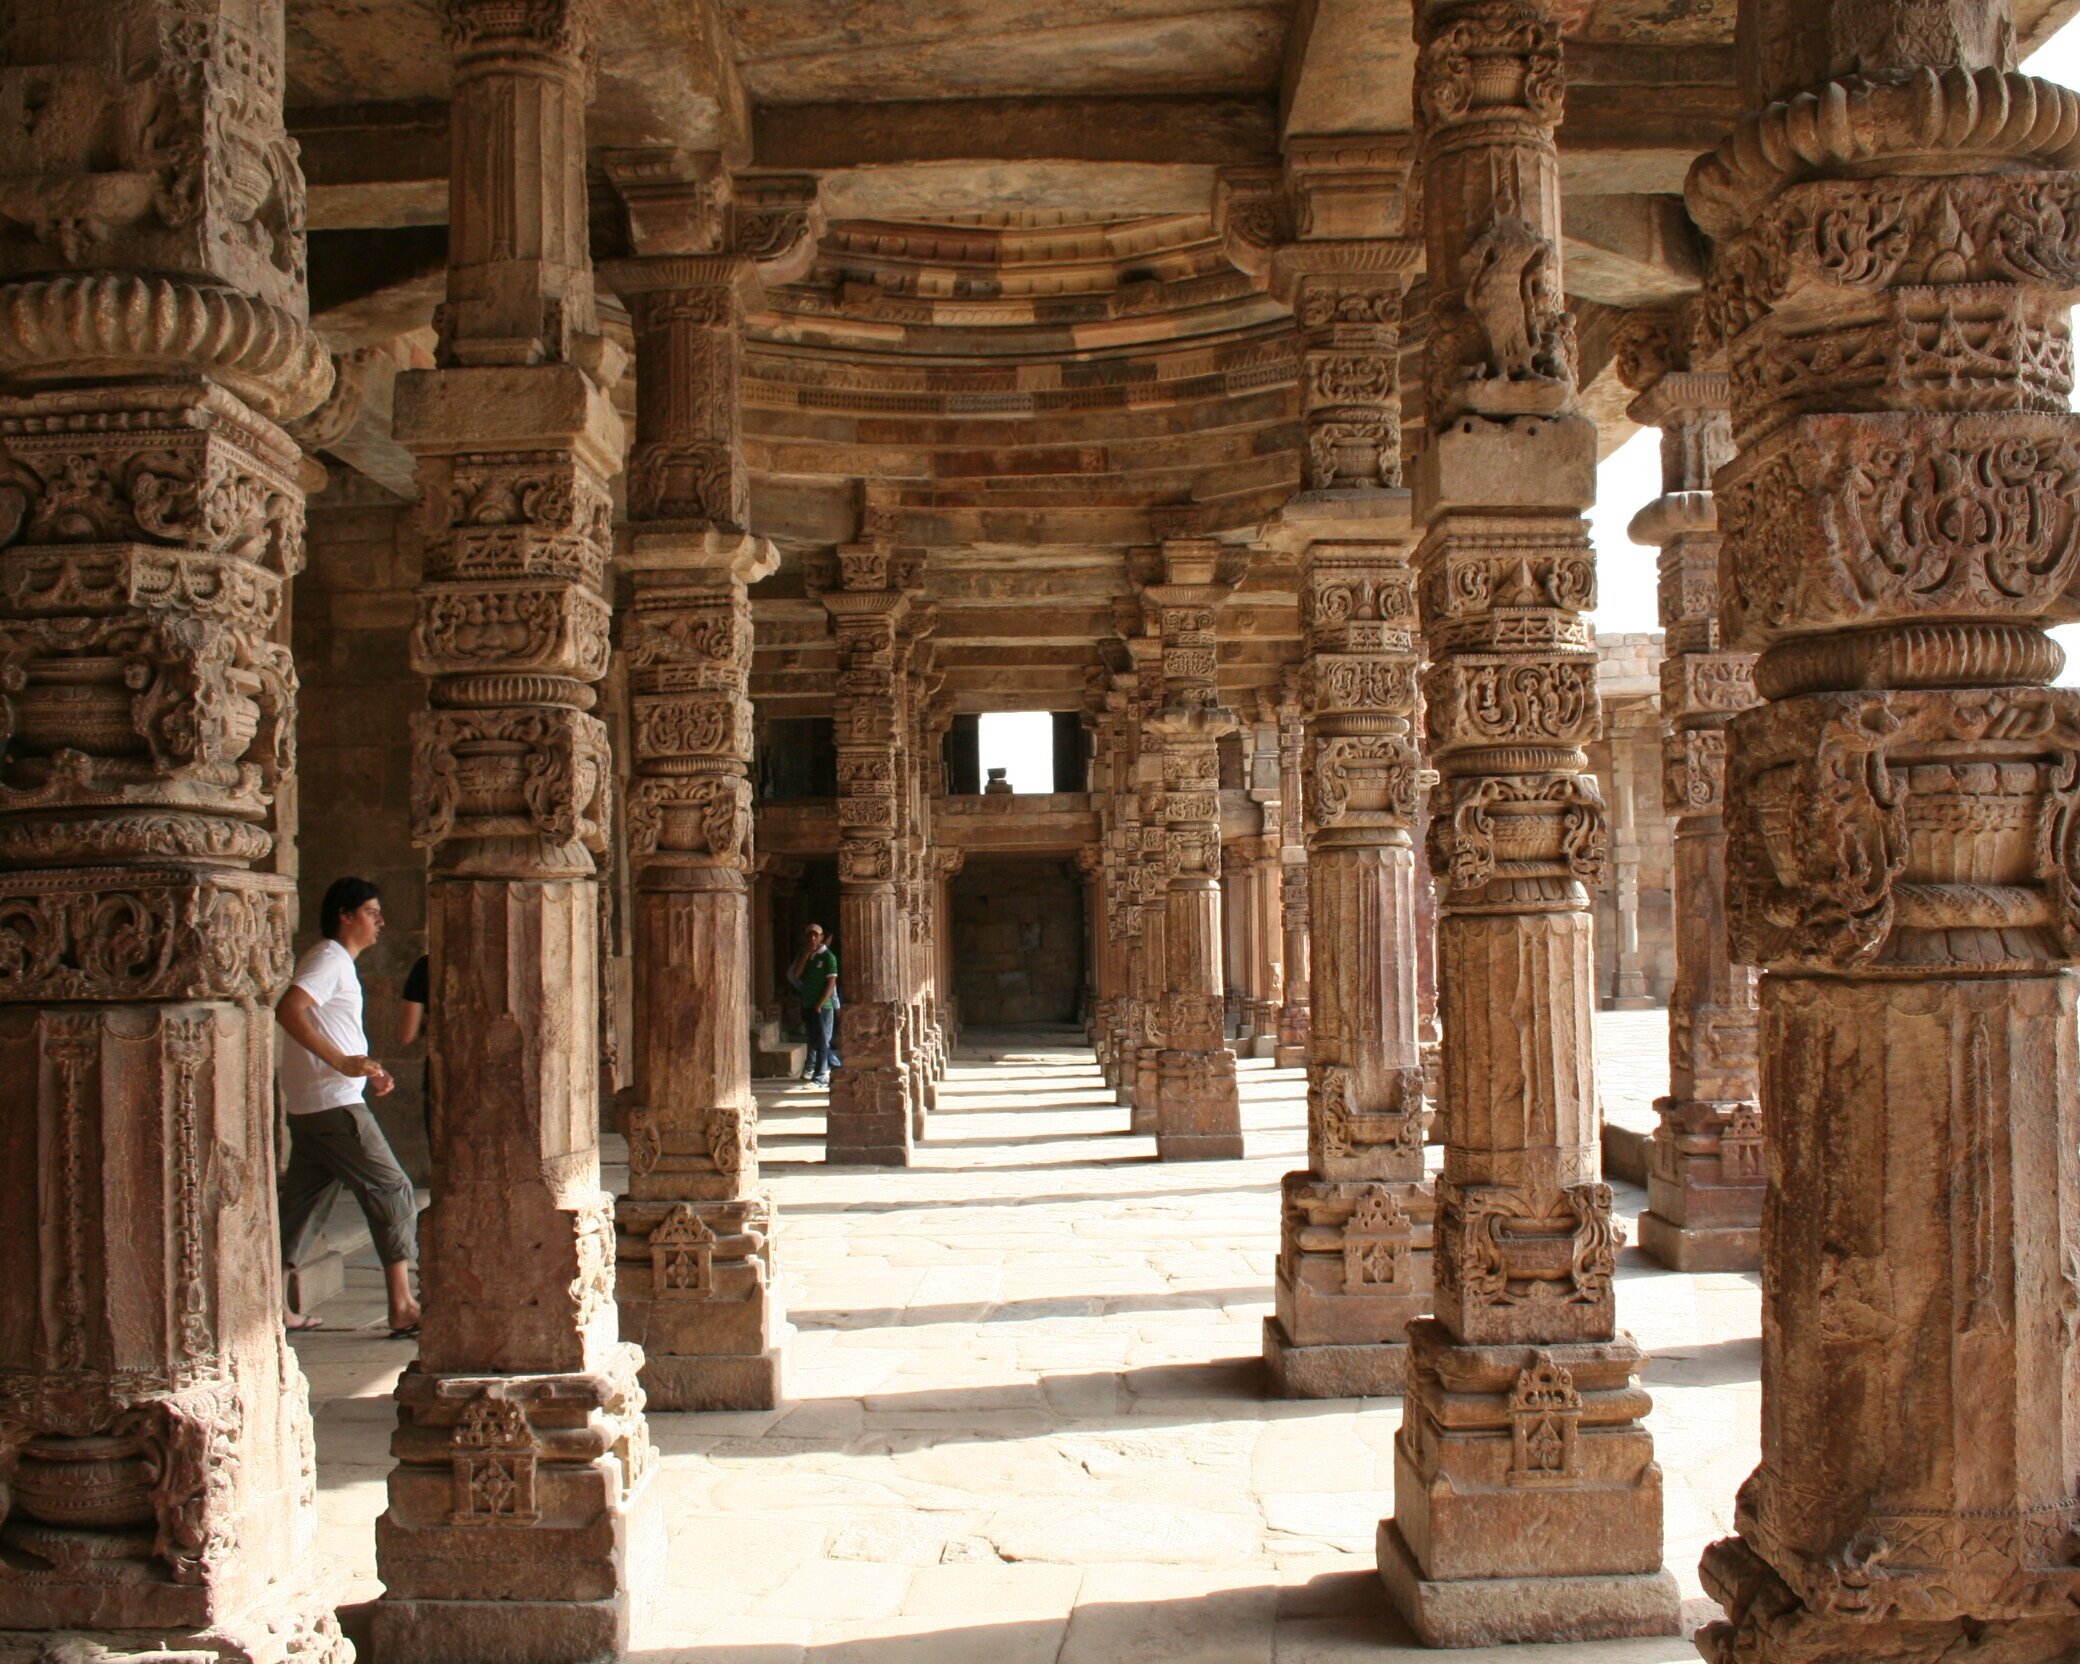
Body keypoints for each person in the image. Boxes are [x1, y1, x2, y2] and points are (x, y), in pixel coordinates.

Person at [277, 877, 423, 1338]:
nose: (380, 921)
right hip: (331, 1104)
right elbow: (289, 1009)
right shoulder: (328, 959)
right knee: (393, 1188)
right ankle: (402, 1305)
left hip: (317, 1103)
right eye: (371, 912)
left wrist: (366, 1068)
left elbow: (328, 1026)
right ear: (345, 914)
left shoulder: (336, 962)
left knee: (302, 1208)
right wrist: (341, 1062)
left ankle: (272, 1306)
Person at [788, 923, 840, 1086]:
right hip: (808, 1003)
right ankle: (816, 1070)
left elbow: (831, 983)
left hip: (822, 1007)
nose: (812, 938)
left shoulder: (828, 957)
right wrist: (806, 954)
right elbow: (796, 975)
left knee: (823, 1040)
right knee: (813, 1039)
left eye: (815, 935)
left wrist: (820, 1003)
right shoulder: (809, 956)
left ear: (821, 938)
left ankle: (820, 1075)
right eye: (809, 935)